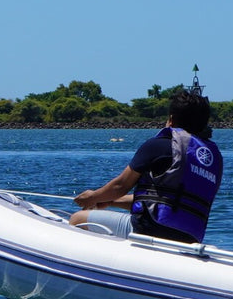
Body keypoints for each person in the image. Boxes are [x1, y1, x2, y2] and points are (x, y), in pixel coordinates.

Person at [70, 91, 222, 244]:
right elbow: (164, 201)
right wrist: (112, 201)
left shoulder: (158, 145)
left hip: (150, 230)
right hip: (190, 239)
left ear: (171, 119)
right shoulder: (211, 159)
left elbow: (120, 185)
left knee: (78, 219)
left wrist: (92, 197)